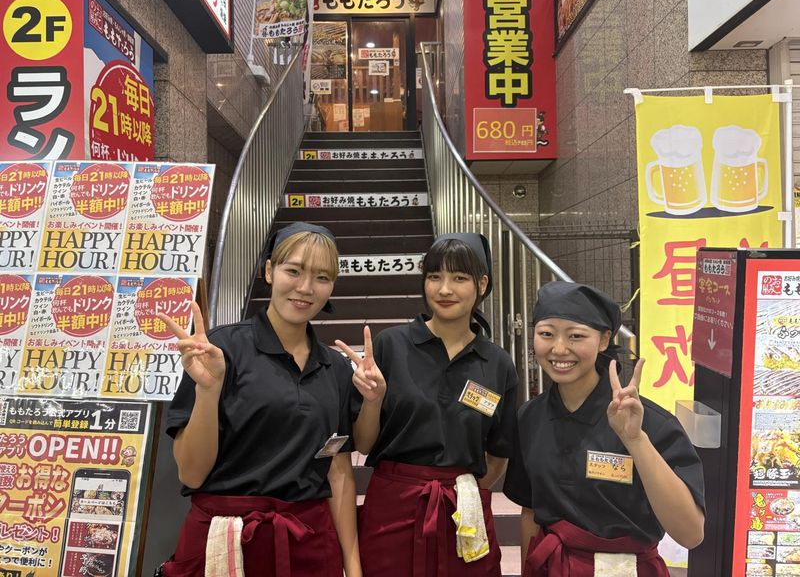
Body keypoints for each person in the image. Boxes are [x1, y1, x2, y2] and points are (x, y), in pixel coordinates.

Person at [160, 222, 361, 577]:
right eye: (293, 271)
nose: (305, 288)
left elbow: (339, 472)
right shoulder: (219, 350)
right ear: (269, 270)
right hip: (224, 543)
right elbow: (191, 473)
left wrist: (353, 567)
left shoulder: (336, 368)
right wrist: (208, 391)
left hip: (309, 545)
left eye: (322, 277)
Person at [336, 233, 518, 576]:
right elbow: (364, 444)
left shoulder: (497, 363)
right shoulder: (391, 346)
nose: (444, 289)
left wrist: (463, 491)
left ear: (481, 284)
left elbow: (498, 454)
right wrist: (373, 401)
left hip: (463, 514)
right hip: (392, 509)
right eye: (435, 276)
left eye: (459, 278)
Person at [503, 281, 705, 576]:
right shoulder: (529, 418)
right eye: (546, 334)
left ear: (604, 340)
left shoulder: (652, 424)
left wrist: (635, 441)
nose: (559, 348)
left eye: (576, 336)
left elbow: (690, 533)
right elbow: (530, 512)